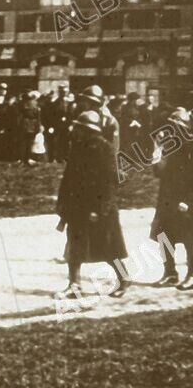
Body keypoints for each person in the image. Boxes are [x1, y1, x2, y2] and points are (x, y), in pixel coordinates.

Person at [55, 110, 129, 299]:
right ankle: (74, 285)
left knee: (109, 246)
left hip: (99, 208)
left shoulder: (105, 148)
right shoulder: (78, 148)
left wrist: (100, 209)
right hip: (78, 207)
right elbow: (68, 178)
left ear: (89, 130)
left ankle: (123, 278)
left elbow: (110, 181)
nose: (76, 131)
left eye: (79, 128)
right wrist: (62, 206)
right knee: (74, 245)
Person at [149, 107, 193, 288]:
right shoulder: (170, 147)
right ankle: (170, 273)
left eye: (177, 127)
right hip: (167, 197)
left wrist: (188, 201)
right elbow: (158, 172)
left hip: (185, 199)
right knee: (163, 233)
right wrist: (157, 149)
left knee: (190, 236)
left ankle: (192, 273)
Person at [76, 84, 119, 152]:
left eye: (85, 101)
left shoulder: (109, 121)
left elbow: (113, 150)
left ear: (94, 103)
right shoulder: (83, 118)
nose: (82, 104)